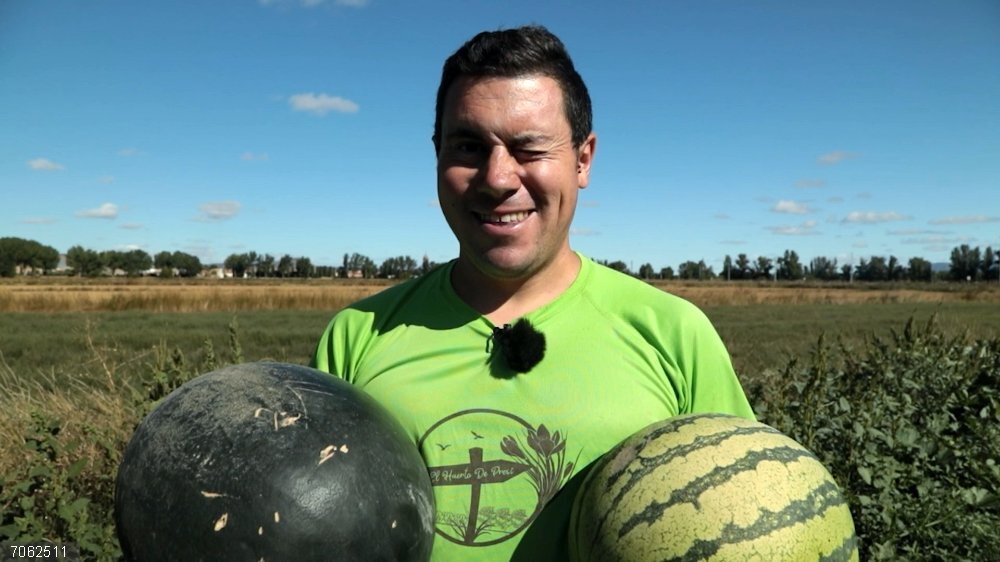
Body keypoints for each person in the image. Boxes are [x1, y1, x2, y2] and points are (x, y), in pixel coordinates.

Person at [312, 25, 755, 561]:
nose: (497, 178)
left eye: (529, 148)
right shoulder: (356, 339)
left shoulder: (672, 334)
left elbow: (743, 524)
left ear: (583, 159)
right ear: (437, 155)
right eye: (469, 147)